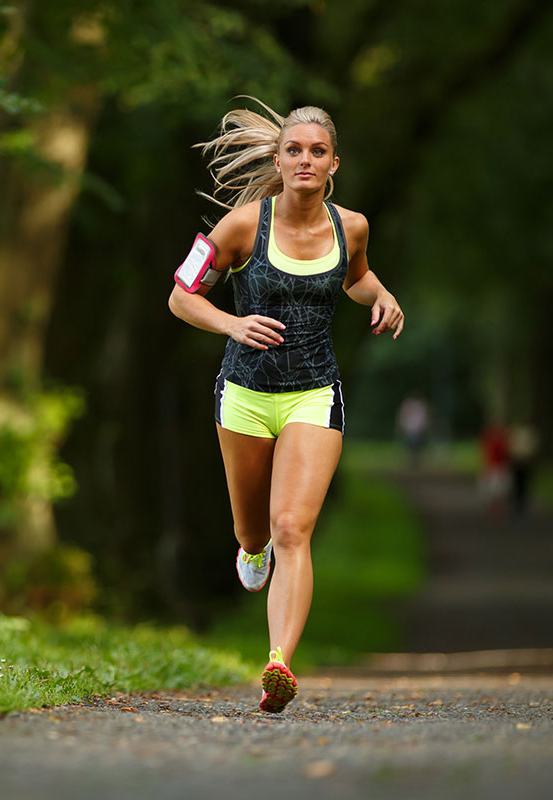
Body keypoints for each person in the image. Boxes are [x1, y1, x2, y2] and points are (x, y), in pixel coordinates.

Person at [167, 99, 404, 713]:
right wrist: (231, 323)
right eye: (294, 150)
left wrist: (383, 297)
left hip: (313, 393)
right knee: (255, 532)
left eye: (316, 152)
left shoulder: (352, 226)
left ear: (333, 164)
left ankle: (279, 664)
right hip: (244, 396)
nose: (304, 160)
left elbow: (354, 278)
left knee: (292, 529)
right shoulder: (244, 225)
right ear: (279, 158)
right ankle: (250, 550)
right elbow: (180, 297)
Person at [397, 393, 431, 469]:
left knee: (417, 445)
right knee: (411, 445)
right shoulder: (408, 406)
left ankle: (415, 462)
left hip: (418, 431)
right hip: (410, 431)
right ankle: (413, 462)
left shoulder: (419, 407)